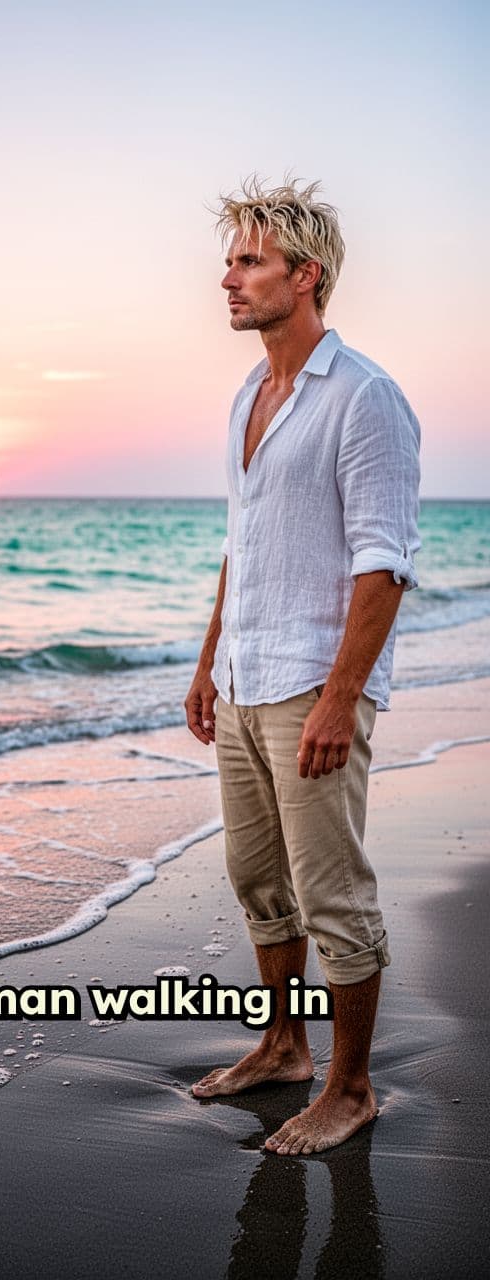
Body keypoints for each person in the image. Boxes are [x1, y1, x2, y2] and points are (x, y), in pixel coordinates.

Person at [185, 176, 421, 1155]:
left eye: (248, 260)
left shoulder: (364, 397)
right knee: (257, 879)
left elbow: (384, 564)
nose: (227, 278)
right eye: (231, 259)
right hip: (244, 678)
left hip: (310, 691)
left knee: (333, 895)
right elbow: (245, 544)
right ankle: (283, 1044)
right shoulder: (251, 390)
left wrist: (338, 699)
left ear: (304, 274)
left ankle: (352, 1084)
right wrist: (206, 663)